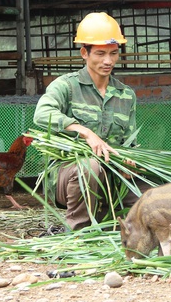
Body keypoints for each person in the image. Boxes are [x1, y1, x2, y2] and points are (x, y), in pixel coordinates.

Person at [34, 12, 144, 231]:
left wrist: (129, 161)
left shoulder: (126, 95)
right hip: (67, 176)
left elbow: (129, 143)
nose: (108, 61)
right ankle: (78, 232)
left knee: (155, 189)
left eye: (113, 53)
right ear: (84, 53)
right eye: (101, 53)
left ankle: (117, 223)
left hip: (112, 174)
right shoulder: (65, 86)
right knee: (90, 166)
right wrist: (84, 132)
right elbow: (41, 113)